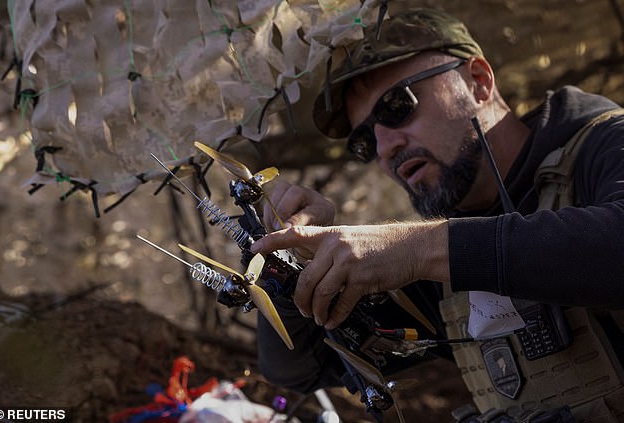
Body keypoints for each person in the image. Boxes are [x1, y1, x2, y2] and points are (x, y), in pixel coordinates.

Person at [251, 8, 624, 422]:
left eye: (396, 107)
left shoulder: (604, 145)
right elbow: (301, 367)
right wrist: (287, 260)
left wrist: (418, 248)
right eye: (364, 142)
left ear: (478, 82)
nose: (385, 147)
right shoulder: (435, 263)